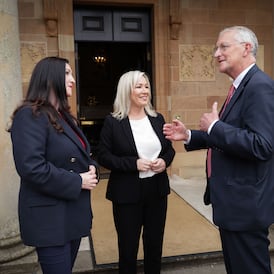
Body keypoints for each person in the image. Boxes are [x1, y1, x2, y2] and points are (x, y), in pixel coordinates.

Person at [163, 26, 274, 274]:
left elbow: (262, 144)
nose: (216, 53)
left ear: (247, 48)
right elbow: (229, 137)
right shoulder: (240, 86)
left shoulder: (259, 86)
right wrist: (191, 135)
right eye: (216, 48)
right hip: (233, 206)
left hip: (246, 207)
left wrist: (215, 126)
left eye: (223, 47)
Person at [8, 56, 99, 274]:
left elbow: (79, 153)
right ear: (50, 78)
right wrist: (78, 180)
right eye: (67, 73)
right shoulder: (30, 115)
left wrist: (91, 165)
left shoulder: (64, 116)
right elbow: (32, 168)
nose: (73, 80)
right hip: (49, 219)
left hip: (71, 215)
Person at [97, 70, 175, 274]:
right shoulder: (113, 122)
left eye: (147, 86)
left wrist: (163, 162)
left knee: (154, 246)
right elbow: (103, 156)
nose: (145, 91)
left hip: (156, 191)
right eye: (139, 86)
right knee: (128, 248)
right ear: (126, 90)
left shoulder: (157, 119)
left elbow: (169, 150)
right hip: (126, 193)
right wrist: (133, 164)